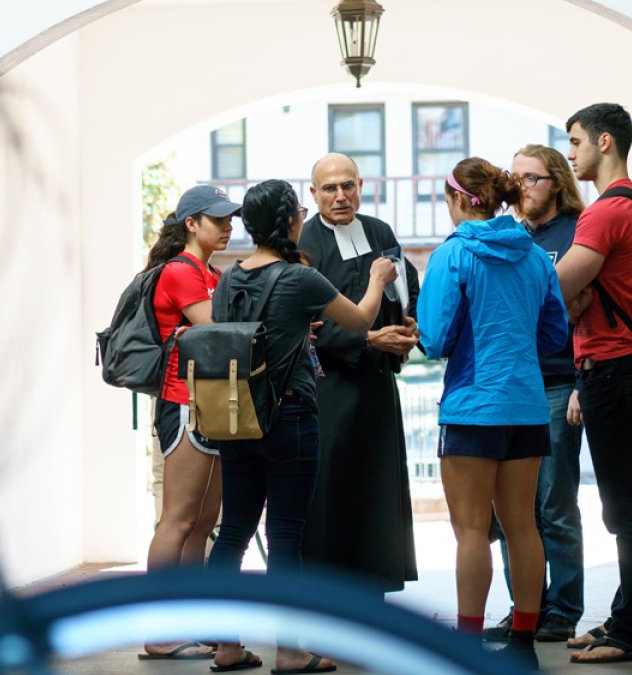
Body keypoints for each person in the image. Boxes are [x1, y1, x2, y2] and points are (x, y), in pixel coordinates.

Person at [206, 179, 403, 673]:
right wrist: (378, 277)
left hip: (237, 417)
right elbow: (359, 320)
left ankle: (226, 646)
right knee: (286, 535)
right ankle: (290, 650)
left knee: (233, 531)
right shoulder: (300, 277)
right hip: (290, 414)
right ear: (291, 221)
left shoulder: (228, 278)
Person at [417, 157, 568, 670]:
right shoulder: (534, 256)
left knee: (472, 531)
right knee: (523, 525)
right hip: (526, 404)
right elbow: (554, 334)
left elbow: (435, 339)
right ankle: (524, 641)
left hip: (472, 407)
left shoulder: (453, 255)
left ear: (458, 199)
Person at [555, 103, 632, 665]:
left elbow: (554, 291)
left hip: (616, 371)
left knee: (628, 507)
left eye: (574, 142)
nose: (570, 152)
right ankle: (625, 618)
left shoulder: (604, 213)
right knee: (625, 505)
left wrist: (573, 300)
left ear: (603, 141)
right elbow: (577, 296)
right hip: (622, 371)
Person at [298, 152, 418, 592]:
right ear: (313, 194)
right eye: (329, 188)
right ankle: (328, 600)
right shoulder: (305, 243)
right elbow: (305, 323)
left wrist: (411, 322)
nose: (340, 196)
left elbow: (406, 286)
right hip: (327, 388)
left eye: (348, 185)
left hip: (376, 387)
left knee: (376, 490)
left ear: (361, 186)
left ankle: (374, 594)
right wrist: (366, 340)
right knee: (330, 493)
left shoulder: (380, 231)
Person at [483, 144, 587, 644]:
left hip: (558, 383)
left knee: (553, 506)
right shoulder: (511, 237)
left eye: (533, 178)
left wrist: (581, 384)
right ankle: (525, 607)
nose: (522, 186)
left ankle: (563, 608)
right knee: (509, 514)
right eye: (516, 178)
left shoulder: (576, 233)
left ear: (557, 182)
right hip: (511, 387)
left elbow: (591, 311)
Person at [140, 184, 239, 660]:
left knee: (202, 521)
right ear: (191, 224)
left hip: (211, 402)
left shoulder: (209, 273)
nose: (227, 226)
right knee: (177, 520)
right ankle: (159, 631)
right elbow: (218, 326)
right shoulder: (181, 271)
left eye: (229, 219)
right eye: (217, 219)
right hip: (183, 401)